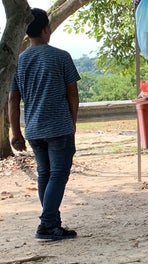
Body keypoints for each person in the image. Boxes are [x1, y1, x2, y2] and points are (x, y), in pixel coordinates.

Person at [9, 8, 81, 241]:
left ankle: (53, 223)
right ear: (46, 29)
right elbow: (72, 94)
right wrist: (72, 122)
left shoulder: (19, 62)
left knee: (45, 174)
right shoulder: (61, 56)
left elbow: (13, 99)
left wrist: (16, 132)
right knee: (58, 174)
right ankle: (47, 224)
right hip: (59, 126)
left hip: (33, 129)